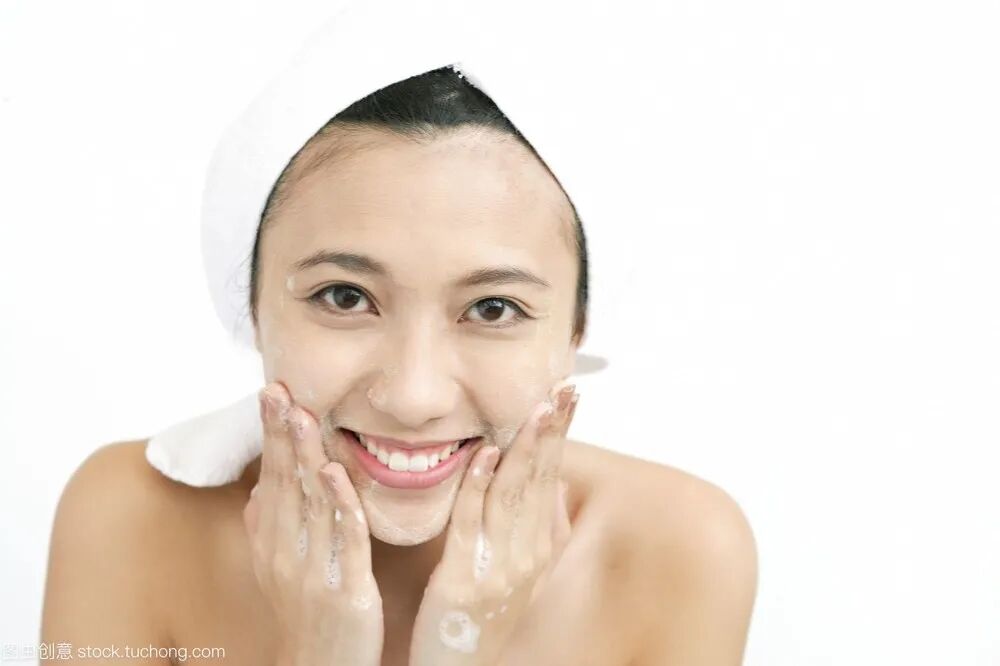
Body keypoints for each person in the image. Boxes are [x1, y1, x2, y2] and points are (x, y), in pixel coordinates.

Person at [41, 66, 758, 665]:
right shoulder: (130, 522)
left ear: (576, 330)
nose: (414, 397)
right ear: (252, 310)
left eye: (492, 308)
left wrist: (461, 648)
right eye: (345, 296)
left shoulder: (680, 551)